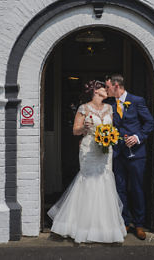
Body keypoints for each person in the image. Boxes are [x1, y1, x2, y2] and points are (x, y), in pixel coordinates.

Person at [47, 80, 127, 243]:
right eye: (103, 88)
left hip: (105, 151)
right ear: (96, 91)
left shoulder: (109, 108)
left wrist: (110, 136)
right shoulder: (83, 108)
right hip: (89, 149)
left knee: (104, 180)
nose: (106, 89)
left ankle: (104, 227)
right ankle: (81, 227)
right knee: (88, 182)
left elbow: (112, 129)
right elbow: (75, 130)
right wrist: (85, 128)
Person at [105, 74, 154, 240]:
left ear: (116, 86)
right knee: (120, 188)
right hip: (118, 154)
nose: (106, 90)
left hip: (137, 154)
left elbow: (149, 123)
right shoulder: (109, 104)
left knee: (137, 189)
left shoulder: (137, 101)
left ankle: (139, 224)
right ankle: (125, 221)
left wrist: (138, 137)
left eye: (108, 87)